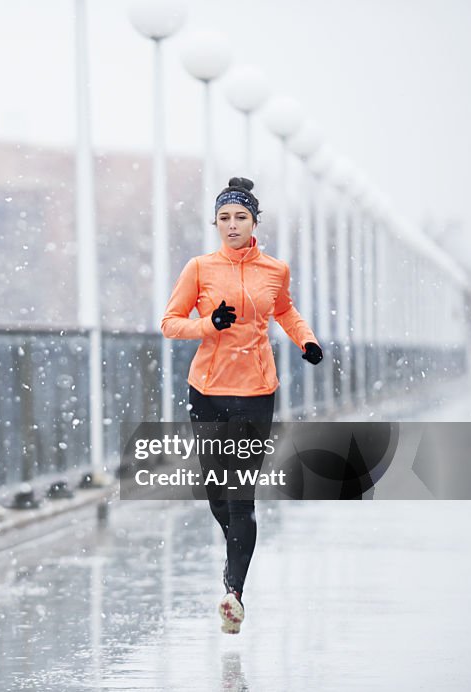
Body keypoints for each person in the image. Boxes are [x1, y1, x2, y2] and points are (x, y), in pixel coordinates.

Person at [160, 176, 323, 634]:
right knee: (217, 491)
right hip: (207, 391)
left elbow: (285, 311)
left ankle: (234, 593)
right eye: (225, 217)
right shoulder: (199, 268)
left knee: (240, 494)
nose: (232, 225)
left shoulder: (275, 269)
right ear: (215, 222)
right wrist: (209, 324)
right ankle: (233, 551)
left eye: (241, 217)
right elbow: (170, 323)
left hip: (255, 392)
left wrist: (305, 340)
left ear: (254, 222)